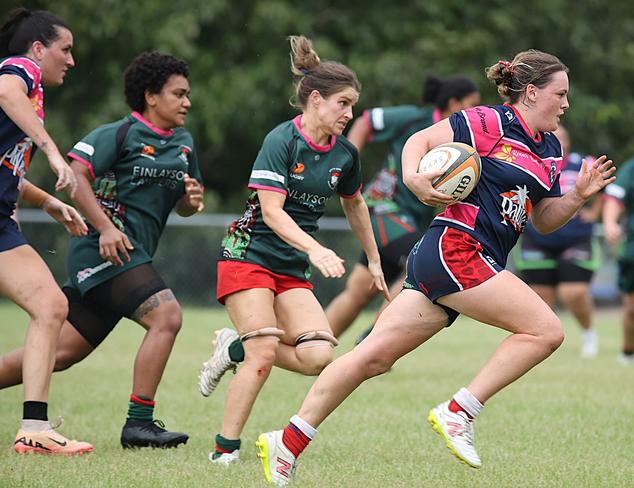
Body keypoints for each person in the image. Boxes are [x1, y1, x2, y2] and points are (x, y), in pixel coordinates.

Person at [255, 49, 616, 485]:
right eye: (560, 94)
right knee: (545, 330)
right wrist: (413, 178)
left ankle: (287, 441)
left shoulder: (552, 148)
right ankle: (460, 411)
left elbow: (540, 218)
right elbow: (419, 142)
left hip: (461, 258)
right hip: (457, 248)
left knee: (371, 358)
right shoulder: (489, 121)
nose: (566, 103)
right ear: (532, 91)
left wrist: (578, 196)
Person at [0, 50, 204, 449]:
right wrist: (103, 227)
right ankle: (139, 424)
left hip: (131, 257)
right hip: (101, 251)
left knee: (61, 352)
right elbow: (75, 176)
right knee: (167, 315)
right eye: (179, 93)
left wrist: (191, 200)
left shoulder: (184, 144)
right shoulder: (118, 133)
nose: (187, 102)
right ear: (151, 96)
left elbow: (186, 206)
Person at [198, 35, 388, 465]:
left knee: (319, 355)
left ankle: (233, 347)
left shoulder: (344, 153)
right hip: (246, 254)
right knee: (263, 354)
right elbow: (272, 212)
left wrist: (373, 259)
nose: (349, 114)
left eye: (353, 105)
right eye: (343, 103)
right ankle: (223, 452)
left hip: (289, 266)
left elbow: (355, 203)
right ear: (316, 99)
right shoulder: (281, 141)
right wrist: (316, 249)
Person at [0, 8, 94, 455]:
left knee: (51, 305)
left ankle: (34, 429)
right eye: (64, 50)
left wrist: (47, 201)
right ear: (37, 49)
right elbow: (7, 87)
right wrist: (50, 149)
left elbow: (1, 169)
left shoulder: (30, 100)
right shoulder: (19, 70)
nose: (70, 60)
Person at [326, 74, 480, 342]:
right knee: (419, 262)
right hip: (382, 208)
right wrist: (346, 162)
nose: (476, 111)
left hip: (410, 221)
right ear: (454, 103)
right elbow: (364, 122)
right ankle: (374, 337)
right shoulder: (414, 119)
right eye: (472, 104)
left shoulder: (463, 142)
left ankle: (312, 347)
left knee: (360, 291)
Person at [514, 124, 602, 357]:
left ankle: (588, 333)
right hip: (537, 238)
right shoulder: (530, 162)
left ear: (568, 141)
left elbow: (607, 189)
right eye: (553, 136)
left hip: (575, 237)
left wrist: (594, 213)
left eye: (562, 136)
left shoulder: (581, 163)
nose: (558, 140)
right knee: (543, 297)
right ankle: (543, 343)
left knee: (573, 292)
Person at [602, 157, 634, 365]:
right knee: (631, 309)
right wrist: (609, 223)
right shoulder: (631, 167)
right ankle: (628, 352)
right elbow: (616, 197)